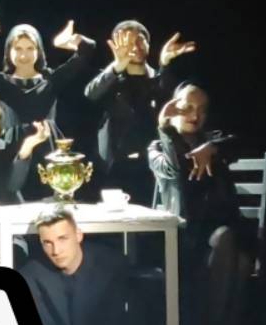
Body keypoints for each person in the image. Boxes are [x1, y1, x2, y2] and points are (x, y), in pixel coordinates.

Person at [149, 82, 253, 325]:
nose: (196, 116)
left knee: (231, 243)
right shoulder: (157, 147)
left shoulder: (213, 139)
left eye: (202, 110)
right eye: (188, 108)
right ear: (174, 109)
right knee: (239, 261)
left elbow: (244, 141)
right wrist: (166, 128)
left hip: (223, 230)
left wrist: (213, 147)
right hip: (186, 237)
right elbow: (175, 169)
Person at [84, 20, 196, 204]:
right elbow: (91, 93)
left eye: (140, 41)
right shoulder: (111, 79)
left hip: (152, 167)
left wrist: (165, 63)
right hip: (114, 168)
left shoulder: (159, 79)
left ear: (148, 44)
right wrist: (117, 65)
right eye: (129, 42)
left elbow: (167, 99)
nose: (135, 47)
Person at [0, 1, 97, 131]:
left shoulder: (51, 81)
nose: (23, 55)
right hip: (11, 147)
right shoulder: (0, 82)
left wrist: (65, 42)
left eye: (30, 48)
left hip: (47, 146)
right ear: (8, 51)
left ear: (39, 51)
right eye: (18, 49)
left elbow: (88, 48)